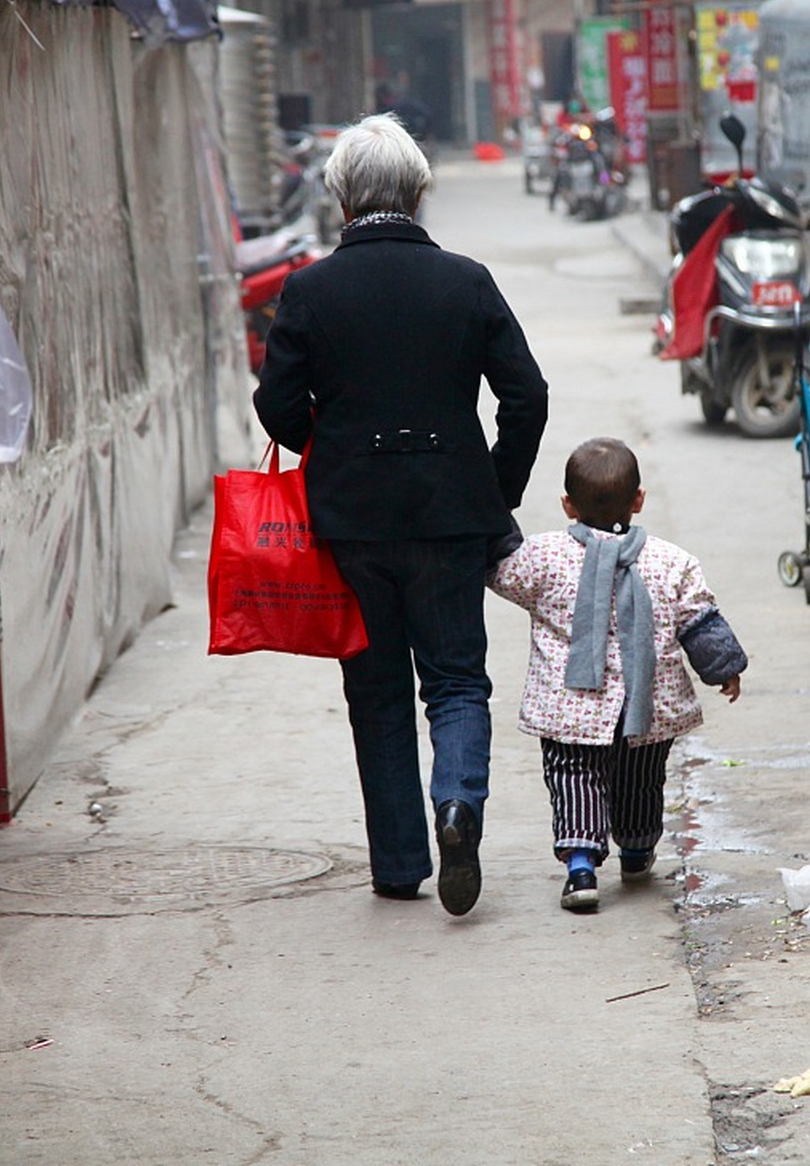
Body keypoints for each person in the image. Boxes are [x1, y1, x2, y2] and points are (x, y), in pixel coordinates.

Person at [253, 112, 549, 917]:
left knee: (375, 687)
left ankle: (397, 864)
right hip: (451, 515)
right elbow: (527, 396)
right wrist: (494, 486)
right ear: (419, 192)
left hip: (351, 520)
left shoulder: (310, 289)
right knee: (455, 681)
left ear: (341, 196)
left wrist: (334, 444)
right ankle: (457, 805)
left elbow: (276, 403)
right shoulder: (465, 280)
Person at [489, 438, 747, 912]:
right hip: (649, 704)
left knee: (573, 777)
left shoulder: (543, 557)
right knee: (641, 779)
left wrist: (492, 509)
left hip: (570, 706)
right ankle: (635, 849)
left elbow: (503, 569)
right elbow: (699, 620)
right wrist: (724, 669)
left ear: (568, 505)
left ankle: (582, 867)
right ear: (639, 499)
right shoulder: (673, 561)